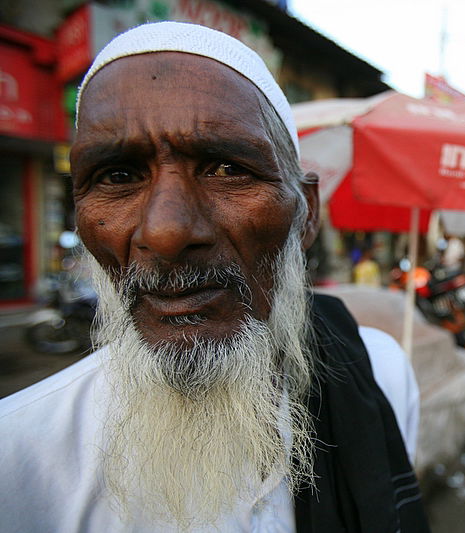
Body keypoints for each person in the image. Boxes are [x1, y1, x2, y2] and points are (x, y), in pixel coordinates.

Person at [0, 22, 429, 533]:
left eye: (226, 169)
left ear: (306, 215)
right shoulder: (19, 456)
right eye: (118, 176)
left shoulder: (382, 372)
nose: (165, 232)